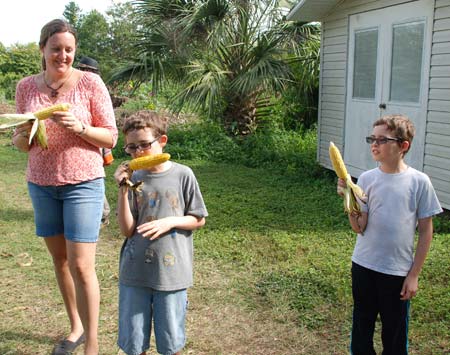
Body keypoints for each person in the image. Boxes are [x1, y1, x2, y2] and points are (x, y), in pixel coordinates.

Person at [12, 19, 118, 355]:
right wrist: (23, 134)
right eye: (56, 48)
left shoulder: (90, 83)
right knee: (60, 262)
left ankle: (93, 345)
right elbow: (20, 144)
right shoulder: (26, 87)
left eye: (69, 49)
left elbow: (111, 136)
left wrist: (81, 127)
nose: (63, 55)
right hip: (42, 184)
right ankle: (76, 327)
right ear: (42, 49)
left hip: (83, 183)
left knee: (82, 265)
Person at [337, 114, 442, 355]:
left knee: (394, 331)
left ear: (403, 146)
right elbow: (359, 227)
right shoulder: (366, 179)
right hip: (363, 265)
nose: (374, 144)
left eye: (382, 140)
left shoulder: (419, 182)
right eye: (372, 139)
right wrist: (349, 198)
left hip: (396, 272)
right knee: (362, 324)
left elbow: (426, 231)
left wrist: (414, 275)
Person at [113, 110, 208, 355]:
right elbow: (127, 230)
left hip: (171, 274)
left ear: (162, 141)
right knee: (134, 344)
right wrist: (123, 190)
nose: (138, 153)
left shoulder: (183, 174)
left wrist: (169, 222)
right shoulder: (134, 178)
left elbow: (198, 219)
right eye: (131, 148)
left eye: (144, 145)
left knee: (170, 342)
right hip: (135, 272)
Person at [76, 56, 114, 227]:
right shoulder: (74, 86)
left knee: (94, 177)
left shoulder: (96, 86)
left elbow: (105, 123)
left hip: (95, 138)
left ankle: (103, 213)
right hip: (81, 140)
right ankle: (101, 212)